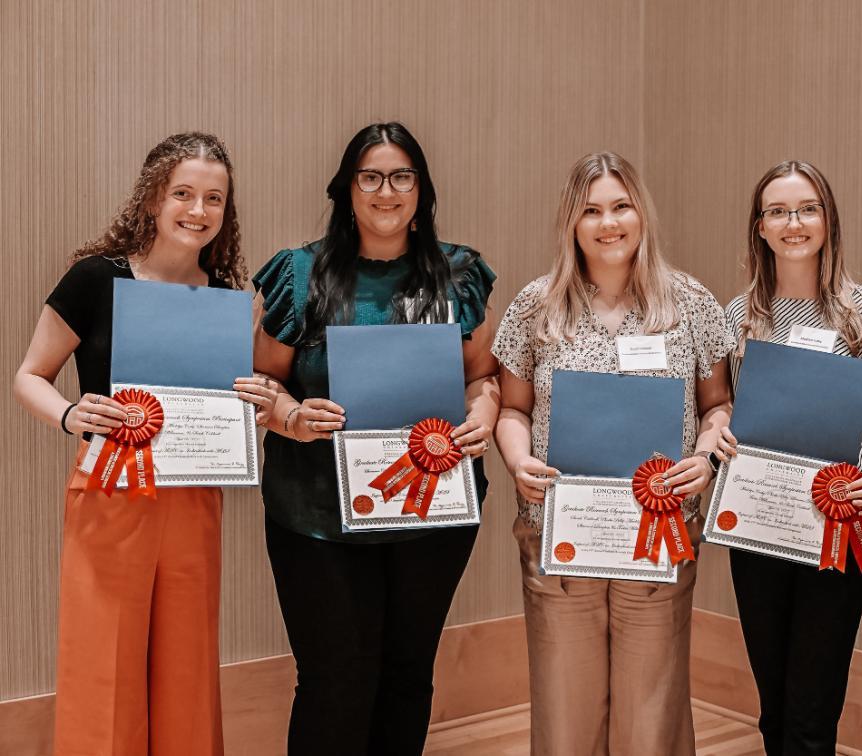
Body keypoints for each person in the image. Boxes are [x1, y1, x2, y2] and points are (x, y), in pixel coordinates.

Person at [13, 132, 278, 755]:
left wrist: (257, 408)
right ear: (153, 198)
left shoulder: (224, 298)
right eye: (183, 193)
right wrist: (71, 414)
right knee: (104, 662)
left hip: (193, 498)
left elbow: (224, 404)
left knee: (187, 665)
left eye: (215, 198)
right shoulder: (93, 279)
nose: (198, 210)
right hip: (109, 492)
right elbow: (29, 376)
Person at [252, 122, 498, 755]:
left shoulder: (458, 274)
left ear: (421, 189)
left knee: (408, 676)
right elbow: (262, 381)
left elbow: (482, 378)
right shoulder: (298, 273)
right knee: (335, 680)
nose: (386, 191)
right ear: (347, 189)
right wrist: (291, 419)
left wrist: (484, 412)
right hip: (317, 518)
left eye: (401, 176)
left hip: (432, 515)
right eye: (371, 177)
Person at [492, 151, 733, 756]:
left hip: (659, 535)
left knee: (651, 710)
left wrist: (704, 460)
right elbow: (513, 408)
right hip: (559, 535)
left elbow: (718, 406)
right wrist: (517, 462)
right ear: (572, 222)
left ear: (641, 213)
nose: (608, 223)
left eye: (621, 206)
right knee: (564, 707)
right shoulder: (536, 306)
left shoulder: (691, 303)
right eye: (591, 210)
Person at [714, 160, 862, 755]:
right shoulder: (737, 316)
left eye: (807, 209)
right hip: (760, 530)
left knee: (812, 705)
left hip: (840, 530)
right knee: (773, 705)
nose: (793, 222)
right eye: (778, 211)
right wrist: (719, 432)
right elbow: (720, 408)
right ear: (760, 227)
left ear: (828, 220)